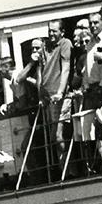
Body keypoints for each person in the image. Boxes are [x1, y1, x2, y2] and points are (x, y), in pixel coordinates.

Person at [39, 19, 73, 170]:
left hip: (60, 97)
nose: (51, 34)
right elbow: (42, 71)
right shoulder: (45, 47)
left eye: (54, 31)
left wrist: (60, 91)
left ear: (62, 32)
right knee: (54, 137)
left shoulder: (65, 43)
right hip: (48, 98)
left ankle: (68, 170)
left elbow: (65, 68)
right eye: (49, 31)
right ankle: (63, 168)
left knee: (59, 135)